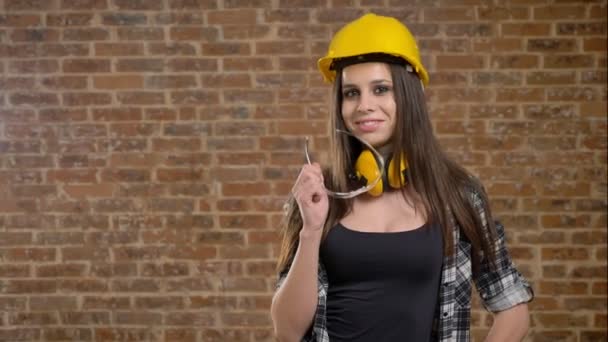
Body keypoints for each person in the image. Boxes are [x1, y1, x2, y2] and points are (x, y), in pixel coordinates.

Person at [270, 13, 534, 342]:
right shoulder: (318, 196)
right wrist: (311, 229)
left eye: (380, 89)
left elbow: (513, 309)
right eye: (351, 93)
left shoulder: (458, 196)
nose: (364, 105)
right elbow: (287, 331)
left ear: (409, 95)